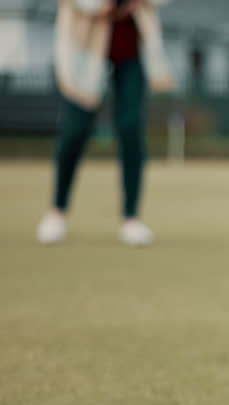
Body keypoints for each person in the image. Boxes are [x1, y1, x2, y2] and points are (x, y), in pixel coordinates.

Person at [36, 0, 175, 247]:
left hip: (132, 48)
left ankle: (131, 217)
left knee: (131, 128)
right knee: (74, 130)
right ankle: (57, 210)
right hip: (84, 46)